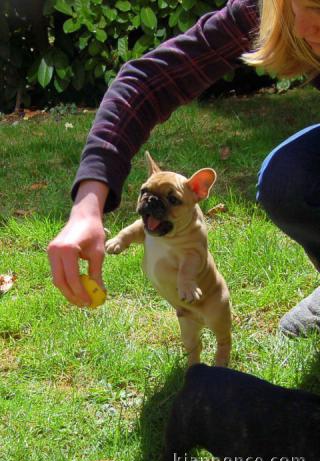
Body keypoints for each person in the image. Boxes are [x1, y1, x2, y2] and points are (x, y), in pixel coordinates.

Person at [48, 0, 320, 335]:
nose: (308, 29)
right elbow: (147, 83)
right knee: (289, 178)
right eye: (307, 7)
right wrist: (88, 205)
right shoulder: (263, 11)